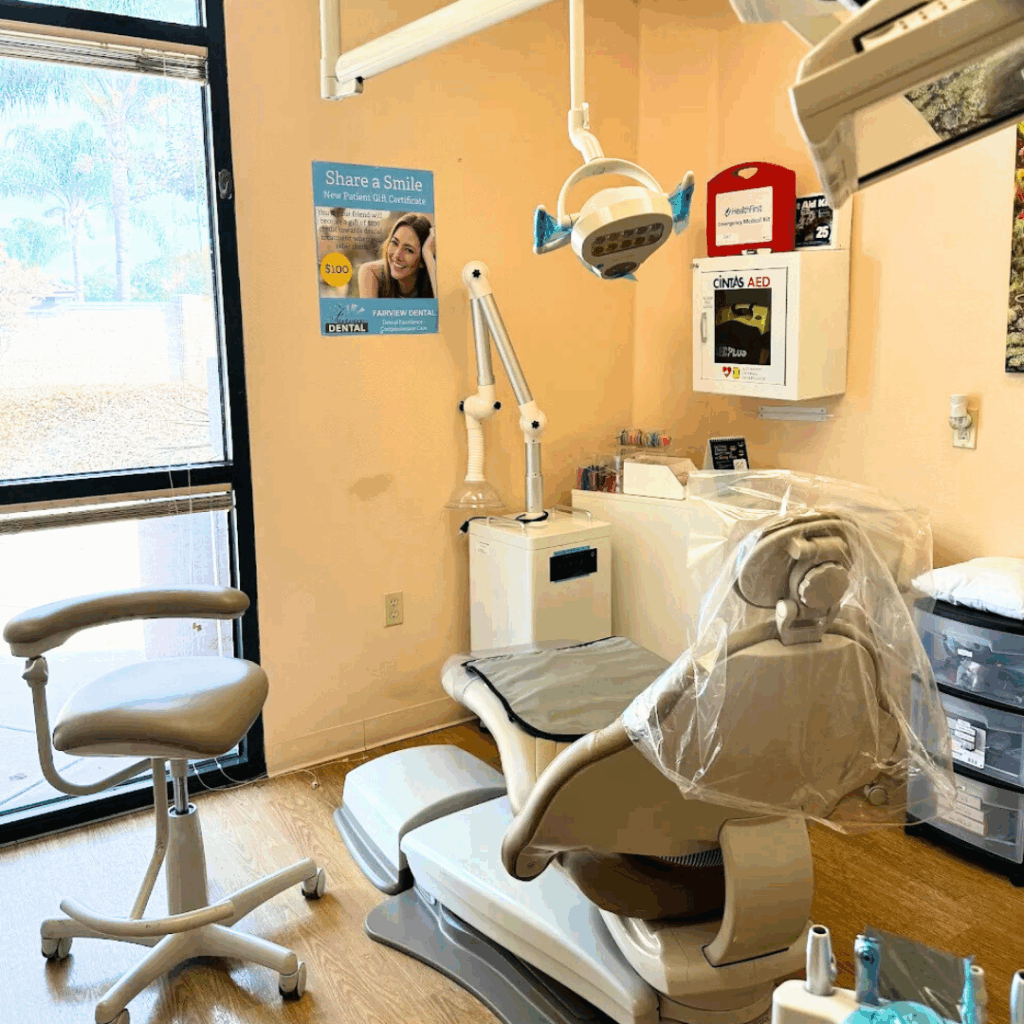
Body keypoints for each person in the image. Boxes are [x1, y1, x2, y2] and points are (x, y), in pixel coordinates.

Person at [358, 213, 436, 299]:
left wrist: (428, 255)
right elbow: (369, 311)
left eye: (409, 250)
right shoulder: (371, 272)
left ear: (422, 260)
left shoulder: (432, 281)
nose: (396, 256)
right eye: (395, 243)